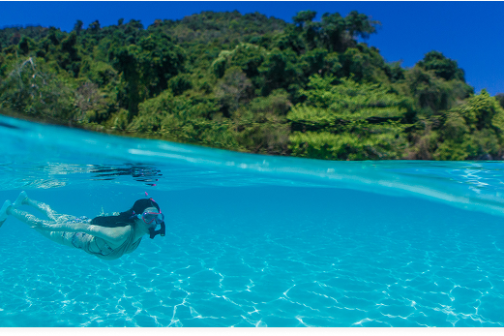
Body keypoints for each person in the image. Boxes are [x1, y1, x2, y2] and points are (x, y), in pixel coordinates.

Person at [0, 191, 165, 260]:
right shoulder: (121, 234)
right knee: (38, 223)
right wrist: (48, 228)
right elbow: (84, 228)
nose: (154, 222)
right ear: (136, 217)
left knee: (54, 213)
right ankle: (9, 209)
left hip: (83, 226)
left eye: (157, 217)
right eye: (148, 216)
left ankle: (25, 200)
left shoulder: (137, 238)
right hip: (73, 236)